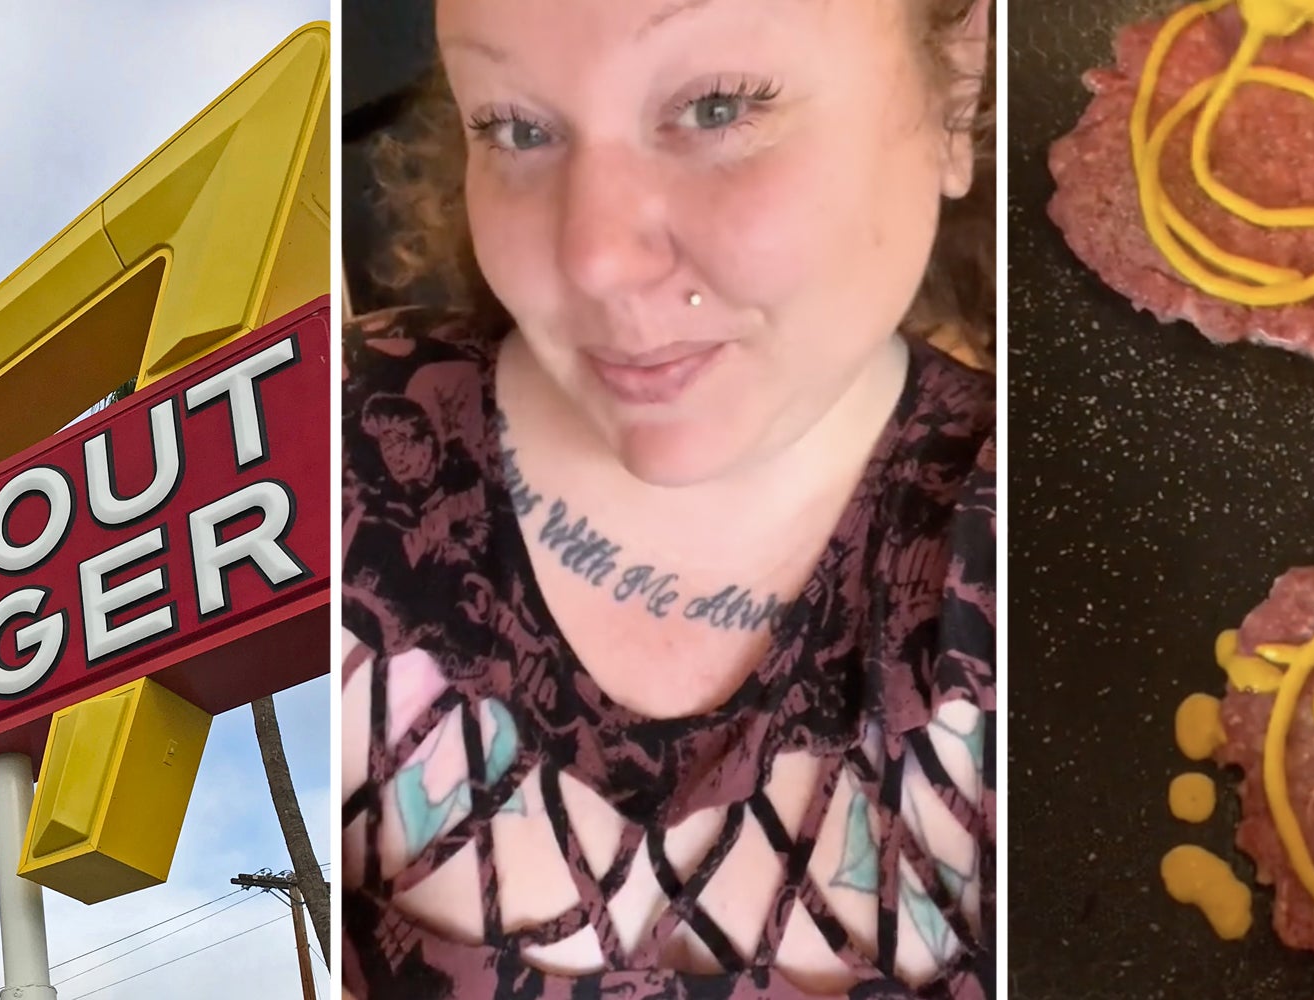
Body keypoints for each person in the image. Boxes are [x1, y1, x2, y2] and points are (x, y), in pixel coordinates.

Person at [339, 1, 996, 997]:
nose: (594, 259)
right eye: (514, 127)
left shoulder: (1083, 565)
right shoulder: (316, 446)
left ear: (957, 75)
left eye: (718, 107)